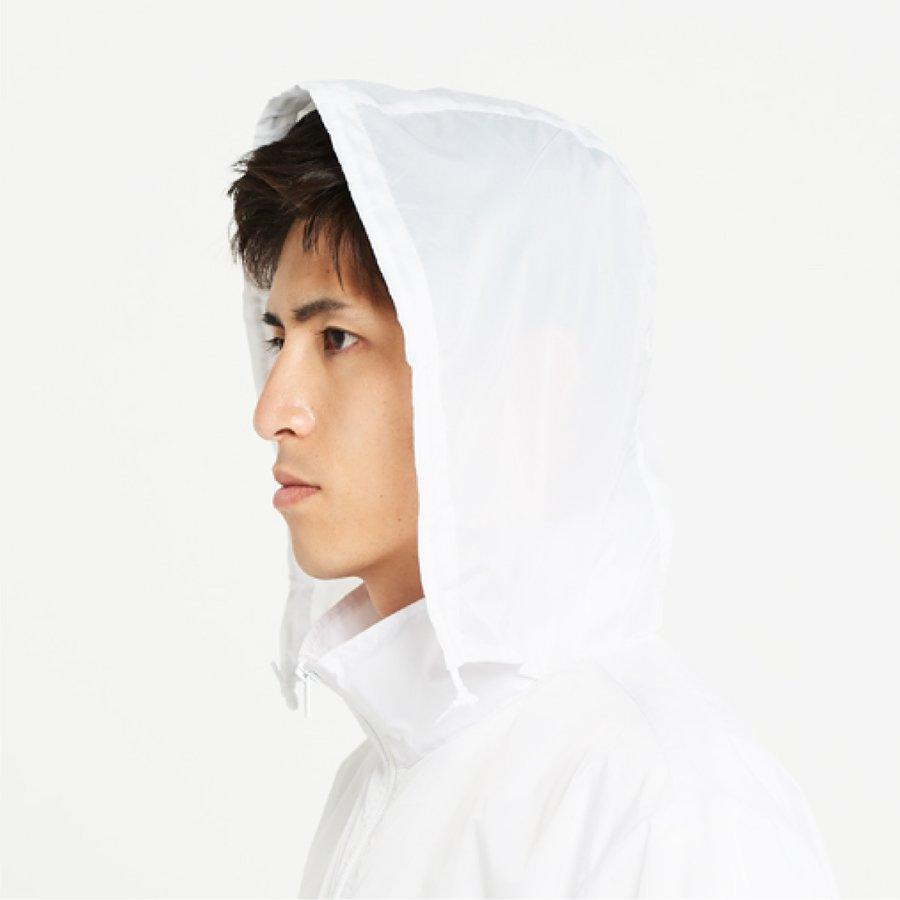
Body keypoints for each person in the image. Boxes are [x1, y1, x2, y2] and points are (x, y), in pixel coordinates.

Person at [227, 79, 840, 898]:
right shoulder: (374, 787)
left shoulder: (669, 805)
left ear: (521, 383)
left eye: (337, 337)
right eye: (279, 340)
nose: (272, 411)